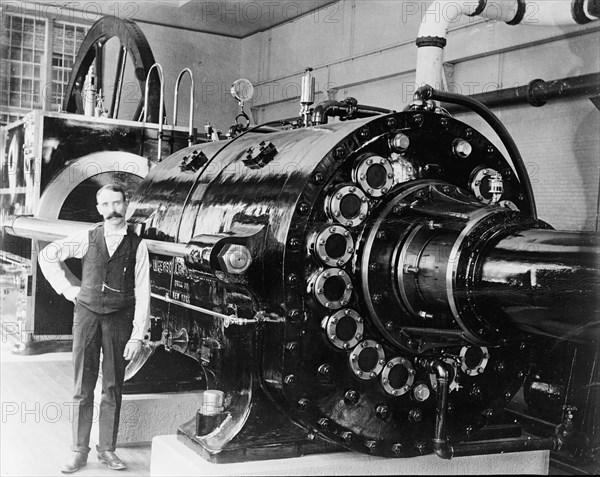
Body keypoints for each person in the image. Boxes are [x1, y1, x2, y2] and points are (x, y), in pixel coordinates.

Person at [38, 183, 150, 473]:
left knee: (113, 386)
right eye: (106, 205)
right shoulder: (86, 237)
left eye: (117, 203)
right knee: (82, 387)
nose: (112, 210)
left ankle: (107, 450)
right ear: (98, 208)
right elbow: (47, 255)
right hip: (86, 316)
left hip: (119, 320)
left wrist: (138, 335)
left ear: (127, 204)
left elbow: (143, 291)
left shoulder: (139, 245)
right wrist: (68, 289)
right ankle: (78, 450)